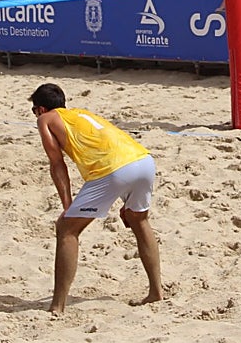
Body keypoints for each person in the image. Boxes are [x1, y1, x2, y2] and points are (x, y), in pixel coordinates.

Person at [31, 82, 163, 314]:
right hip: (144, 160)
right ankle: (156, 293)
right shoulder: (81, 114)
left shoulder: (46, 119)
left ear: (41, 109)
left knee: (67, 229)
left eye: (34, 110)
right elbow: (110, 146)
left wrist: (66, 206)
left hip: (113, 169)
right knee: (139, 220)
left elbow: (57, 164)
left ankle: (57, 306)